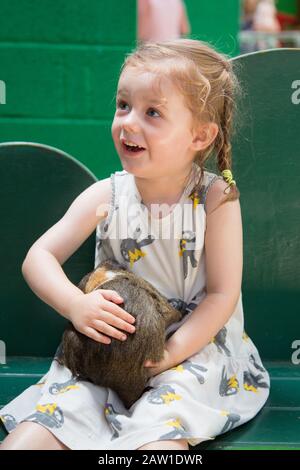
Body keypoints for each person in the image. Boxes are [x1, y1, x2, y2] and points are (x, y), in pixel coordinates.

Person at [0, 39, 270, 451]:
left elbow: (221, 295)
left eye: (153, 112)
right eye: (123, 104)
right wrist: (76, 305)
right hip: (107, 357)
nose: (128, 122)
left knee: (157, 443)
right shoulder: (106, 195)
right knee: (31, 438)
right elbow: (39, 257)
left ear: (200, 135)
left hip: (191, 356)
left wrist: (168, 355)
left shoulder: (215, 200)